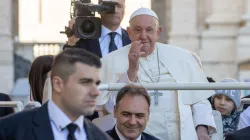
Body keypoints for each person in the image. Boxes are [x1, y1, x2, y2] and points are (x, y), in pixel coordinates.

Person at [97, 8, 216, 140]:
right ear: (129, 32)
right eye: (137, 30)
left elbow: (199, 100)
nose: (143, 36)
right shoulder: (110, 61)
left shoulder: (182, 57)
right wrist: (132, 70)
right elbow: (109, 107)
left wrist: (202, 130)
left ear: (158, 32)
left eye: (149, 30)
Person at [0, 48, 112, 140]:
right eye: (85, 82)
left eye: (97, 83)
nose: (96, 92)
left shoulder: (101, 138)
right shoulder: (10, 130)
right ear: (58, 84)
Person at [63, 0, 131, 58]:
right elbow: (66, 67)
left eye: (119, 6)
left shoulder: (132, 39)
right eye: (110, 6)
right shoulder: (82, 39)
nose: (115, 10)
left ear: (124, 10)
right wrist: (71, 42)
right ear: (99, 9)